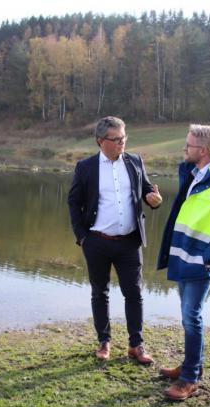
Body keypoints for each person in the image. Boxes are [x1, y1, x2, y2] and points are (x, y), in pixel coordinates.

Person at [67, 116, 163, 364]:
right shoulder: (86, 167)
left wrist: (154, 200)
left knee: (134, 293)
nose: (122, 143)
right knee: (100, 292)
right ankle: (104, 342)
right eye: (116, 139)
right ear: (101, 141)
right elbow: (73, 203)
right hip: (97, 241)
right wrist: (82, 237)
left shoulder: (134, 161)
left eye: (124, 138)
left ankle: (136, 345)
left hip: (129, 242)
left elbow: (148, 191)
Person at [156, 124, 210, 400]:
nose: (185, 149)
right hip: (183, 256)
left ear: (203, 150)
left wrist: (208, 258)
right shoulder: (193, 174)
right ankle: (191, 364)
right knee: (187, 315)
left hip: (199, 262)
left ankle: (189, 378)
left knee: (191, 317)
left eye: (189, 145)